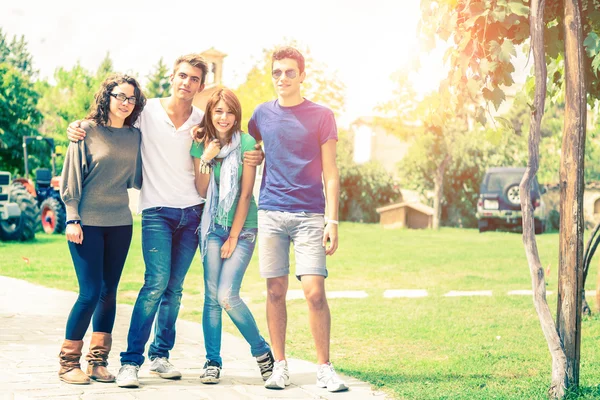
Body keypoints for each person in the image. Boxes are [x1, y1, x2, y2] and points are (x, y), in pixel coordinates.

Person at [67, 53, 265, 388]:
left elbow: (231, 140)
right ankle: (131, 361)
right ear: (172, 78)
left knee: (174, 289)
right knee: (155, 284)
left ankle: (160, 355)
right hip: (156, 211)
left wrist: (256, 151)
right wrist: (81, 124)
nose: (187, 83)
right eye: (182, 76)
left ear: (200, 86)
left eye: (194, 79)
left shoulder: (204, 121)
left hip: (193, 213)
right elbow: (113, 119)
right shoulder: (146, 112)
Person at [247, 46, 348, 392]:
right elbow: (247, 145)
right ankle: (280, 366)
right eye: (277, 72)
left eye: (290, 72)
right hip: (271, 212)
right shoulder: (261, 114)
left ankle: (324, 368)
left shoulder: (322, 115)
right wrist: (253, 155)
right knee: (275, 291)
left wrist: (332, 221)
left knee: (314, 292)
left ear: (302, 75)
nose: (283, 78)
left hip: (310, 215)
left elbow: (332, 173)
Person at [58, 73, 145, 385]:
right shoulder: (85, 130)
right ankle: (68, 363)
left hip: (121, 223)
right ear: (107, 97)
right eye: (119, 96)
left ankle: (97, 362)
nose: (125, 103)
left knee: (109, 293)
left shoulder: (135, 136)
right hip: (86, 223)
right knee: (90, 292)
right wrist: (71, 217)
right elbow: (71, 177)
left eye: (131, 98)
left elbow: (138, 178)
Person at [189, 88, 274, 384]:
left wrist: (234, 236)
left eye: (230, 112)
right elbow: (201, 190)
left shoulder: (248, 144)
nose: (224, 118)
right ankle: (212, 361)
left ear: (237, 115)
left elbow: (246, 193)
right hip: (212, 227)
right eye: (218, 111)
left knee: (227, 295)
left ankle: (262, 352)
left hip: (243, 228)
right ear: (210, 114)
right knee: (211, 297)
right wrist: (207, 158)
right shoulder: (201, 143)